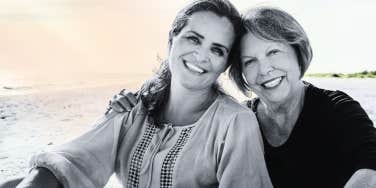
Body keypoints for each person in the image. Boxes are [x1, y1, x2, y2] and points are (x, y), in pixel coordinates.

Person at [0, 1, 273, 188]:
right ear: (171, 39)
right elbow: (73, 160)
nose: (201, 55)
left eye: (217, 49)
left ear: (225, 63)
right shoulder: (135, 107)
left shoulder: (235, 122)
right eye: (194, 38)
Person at [108, 6, 376, 188]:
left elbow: (371, 168)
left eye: (273, 52)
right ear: (241, 72)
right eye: (250, 61)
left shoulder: (337, 110)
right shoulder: (237, 121)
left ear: (298, 53)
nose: (264, 69)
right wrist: (134, 107)